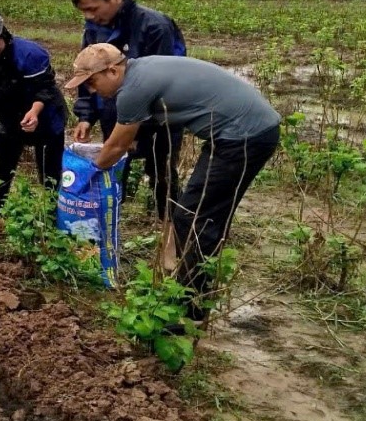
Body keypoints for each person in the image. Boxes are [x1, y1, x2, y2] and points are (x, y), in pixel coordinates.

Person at [64, 45, 280, 320]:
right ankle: (195, 290)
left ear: (112, 70)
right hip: (250, 129)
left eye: (93, 82)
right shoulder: (142, 69)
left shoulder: (132, 90)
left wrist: (85, 172)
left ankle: (189, 305)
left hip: (242, 136)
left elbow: (115, 148)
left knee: (193, 218)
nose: (93, 91)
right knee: (206, 215)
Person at [72, 0, 186, 221]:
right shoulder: (94, 28)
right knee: (113, 169)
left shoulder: (154, 26)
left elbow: (163, 81)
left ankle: (171, 231)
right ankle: (107, 223)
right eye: (84, 12)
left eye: (93, 8)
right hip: (114, 113)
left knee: (162, 173)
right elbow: (87, 72)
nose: (90, 17)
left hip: (160, 120)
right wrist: (86, 115)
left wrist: (137, 130)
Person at [0, 8, 67, 214]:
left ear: (4, 34)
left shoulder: (29, 54)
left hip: (46, 117)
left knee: (50, 173)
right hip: (8, 118)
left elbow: (45, 88)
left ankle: (53, 220)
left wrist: (35, 112)